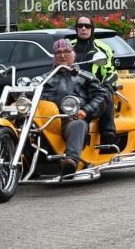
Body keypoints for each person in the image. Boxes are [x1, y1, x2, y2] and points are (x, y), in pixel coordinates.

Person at [41, 39, 107, 175]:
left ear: (74, 54)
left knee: (78, 124)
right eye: (58, 52)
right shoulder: (44, 79)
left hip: (71, 119)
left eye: (66, 51)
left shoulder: (86, 77)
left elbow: (101, 96)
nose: (62, 55)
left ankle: (70, 161)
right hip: (46, 120)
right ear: (53, 56)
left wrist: (86, 111)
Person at [71, 16, 117, 143]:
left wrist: (106, 85)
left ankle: (108, 133)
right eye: (80, 26)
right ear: (76, 29)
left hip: (94, 88)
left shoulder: (103, 48)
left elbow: (111, 71)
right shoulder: (69, 47)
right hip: (73, 88)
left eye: (87, 26)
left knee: (105, 92)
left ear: (92, 28)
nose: (83, 29)